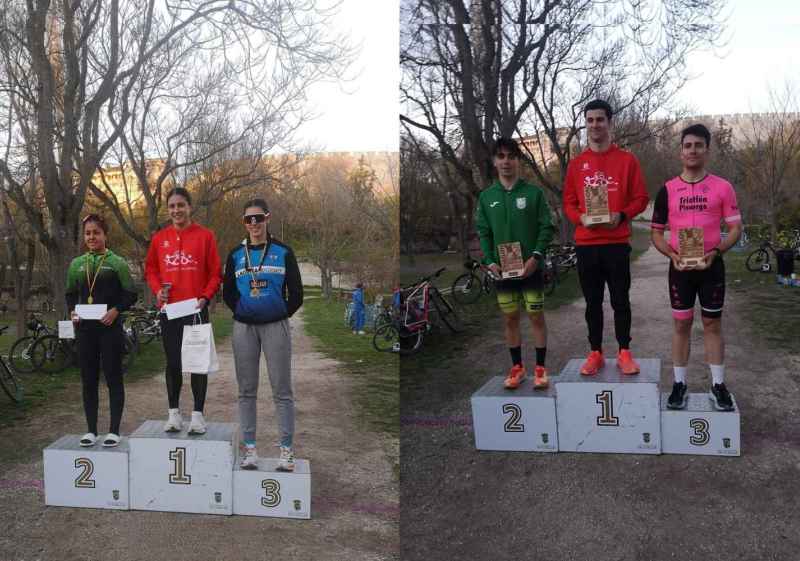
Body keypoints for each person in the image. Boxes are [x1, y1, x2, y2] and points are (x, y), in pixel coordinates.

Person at [651, 123, 742, 411]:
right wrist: (672, 255)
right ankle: (679, 383)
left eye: (698, 145)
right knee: (681, 324)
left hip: (711, 267)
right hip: (680, 268)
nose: (693, 150)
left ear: (707, 150)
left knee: (713, 324)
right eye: (688, 145)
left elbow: (736, 228)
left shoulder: (723, 187)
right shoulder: (666, 190)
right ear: (681, 151)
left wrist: (717, 251)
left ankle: (718, 385)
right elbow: (655, 233)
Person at [563, 99, 649, 376]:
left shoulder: (627, 160)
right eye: (590, 120)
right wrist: (581, 218)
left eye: (600, 119)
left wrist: (622, 216)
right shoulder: (576, 165)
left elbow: (640, 198)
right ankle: (595, 352)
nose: (595, 125)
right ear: (585, 124)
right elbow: (569, 202)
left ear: (610, 123)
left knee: (620, 301)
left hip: (616, 243)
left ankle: (624, 351)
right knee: (592, 302)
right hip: (587, 245)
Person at [223, 199, 303, 471]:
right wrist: (246, 311)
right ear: (244, 223)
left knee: (282, 390)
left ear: (268, 218)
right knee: (246, 391)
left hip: (275, 326)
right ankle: (250, 451)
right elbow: (228, 293)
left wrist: (277, 312)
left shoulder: (283, 251)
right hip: (244, 328)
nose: (254, 224)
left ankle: (286, 451)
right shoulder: (235, 254)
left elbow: (297, 294)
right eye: (249, 220)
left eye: (258, 218)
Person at [475, 137, 555, 390]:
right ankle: (517, 368)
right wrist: (489, 261)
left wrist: (536, 257)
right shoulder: (487, 197)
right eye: (501, 156)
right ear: (494, 162)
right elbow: (483, 232)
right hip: (503, 271)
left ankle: (540, 369)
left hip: (530, 267)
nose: (506, 161)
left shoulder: (533, 193)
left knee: (535, 315)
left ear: (519, 160)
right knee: (510, 318)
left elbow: (546, 227)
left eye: (511, 156)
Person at [144, 187, 222, 434]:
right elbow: (151, 270)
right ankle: (174, 414)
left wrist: (205, 297)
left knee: (198, 364)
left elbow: (215, 273)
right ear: (168, 210)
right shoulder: (159, 238)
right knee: (173, 363)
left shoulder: (205, 236)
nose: (176, 210)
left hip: (196, 309)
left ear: (189, 207)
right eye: (172, 206)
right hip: (170, 311)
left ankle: (198, 416)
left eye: (181, 205)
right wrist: (157, 290)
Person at [66, 214, 138, 447]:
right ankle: (91, 431)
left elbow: (130, 294)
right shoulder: (77, 264)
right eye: (88, 233)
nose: (92, 237)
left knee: (113, 378)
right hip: (86, 331)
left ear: (104, 235)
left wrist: (116, 310)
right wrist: (71, 312)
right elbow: (70, 294)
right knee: (88, 380)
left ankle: (114, 431)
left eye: (96, 232)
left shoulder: (117, 262)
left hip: (110, 329)